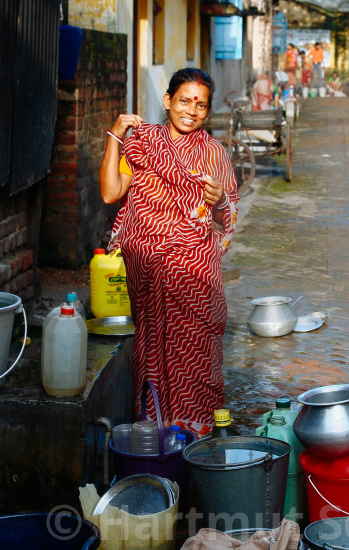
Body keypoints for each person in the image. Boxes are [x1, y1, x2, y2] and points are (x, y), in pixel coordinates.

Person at [100, 68, 239, 432]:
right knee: (150, 352)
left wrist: (221, 199)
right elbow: (110, 193)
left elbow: (229, 219)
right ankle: (154, 436)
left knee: (196, 357)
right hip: (147, 271)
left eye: (201, 105)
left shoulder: (214, 154)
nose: (191, 111)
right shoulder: (144, 144)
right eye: (184, 101)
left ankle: (197, 436)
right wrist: (115, 135)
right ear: (167, 101)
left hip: (194, 277)